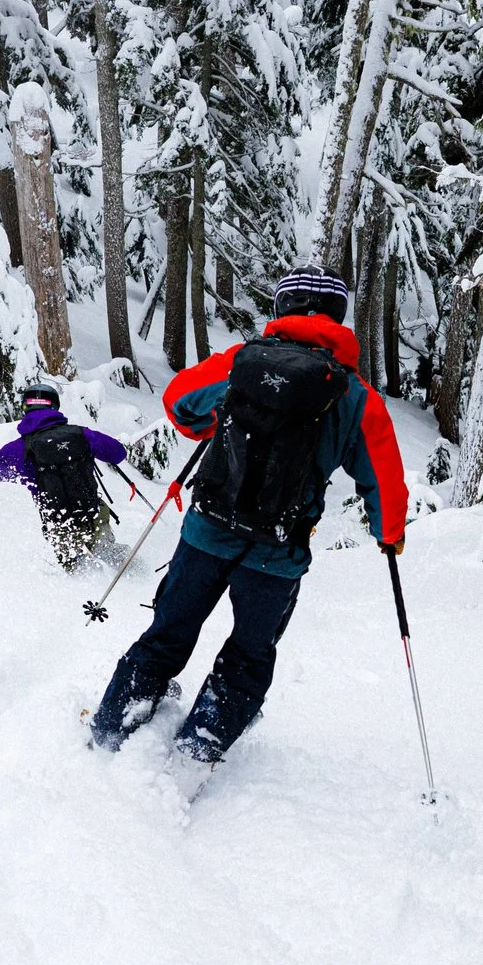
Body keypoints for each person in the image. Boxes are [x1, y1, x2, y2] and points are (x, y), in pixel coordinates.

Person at [90, 266, 407, 765]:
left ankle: (110, 729)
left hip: (206, 531)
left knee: (170, 629)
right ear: (339, 317)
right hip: (278, 554)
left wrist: (214, 423)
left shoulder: (242, 362)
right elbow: (384, 478)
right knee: (249, 654)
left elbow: (178, 401)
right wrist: (388, 536)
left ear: (281, 309)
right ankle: (199, 750)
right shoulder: (353, 395)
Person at [0, 382, 131, 568]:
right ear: (54, 406)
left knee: (80, 573)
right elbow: (118, 453)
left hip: (60, 527)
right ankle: (135, 576)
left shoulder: (18, 450)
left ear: (26, 408)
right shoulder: (82, 434)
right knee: (109, 558)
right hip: (94, 514)